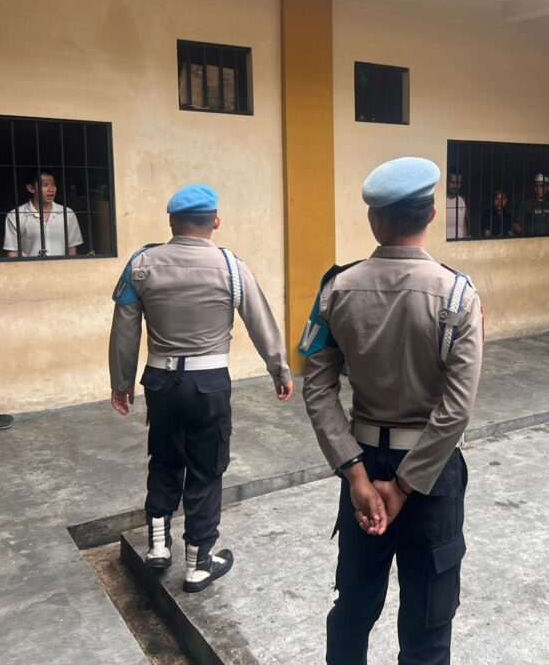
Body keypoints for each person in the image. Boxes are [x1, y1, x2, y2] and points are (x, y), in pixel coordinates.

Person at [300, 156, 483, 665]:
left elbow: (318, 388)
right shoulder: (457, 296)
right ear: (432, 215)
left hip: (362, 465)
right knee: (428, 624)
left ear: (374, 219)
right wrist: (404, 487)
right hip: (432, 474)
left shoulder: (336, 289)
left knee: (353, 610)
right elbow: (456, 408)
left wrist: (357, 475)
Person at [108, 183, 293, 593]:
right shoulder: (231, 267)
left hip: (160, 381)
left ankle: (158, 546)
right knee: (207, 468)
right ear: (216, 222)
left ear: (171, 222)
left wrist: (121, 382)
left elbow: (125, 329)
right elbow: (260, 321)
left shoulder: (141, 263)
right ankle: (198, 562)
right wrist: (279, 369)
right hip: (208, 383)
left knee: (164, 457)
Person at [3, 169, 83, 257]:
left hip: (60, 265)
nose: (51, 189)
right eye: (45, 185)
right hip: (29, 266)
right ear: (31, 188)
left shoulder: (67, 213)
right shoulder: (15, 215)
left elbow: (71, 248)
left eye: (53, 184)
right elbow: (13, 251)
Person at [445, 166, 467, 239]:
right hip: (442, 244)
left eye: (458, 183)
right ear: (446, 181)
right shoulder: (440, 200)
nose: (455, 186)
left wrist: (464, 241)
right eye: (452, 182)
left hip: (459, 243)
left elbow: (463, 223)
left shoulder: (462, 200)